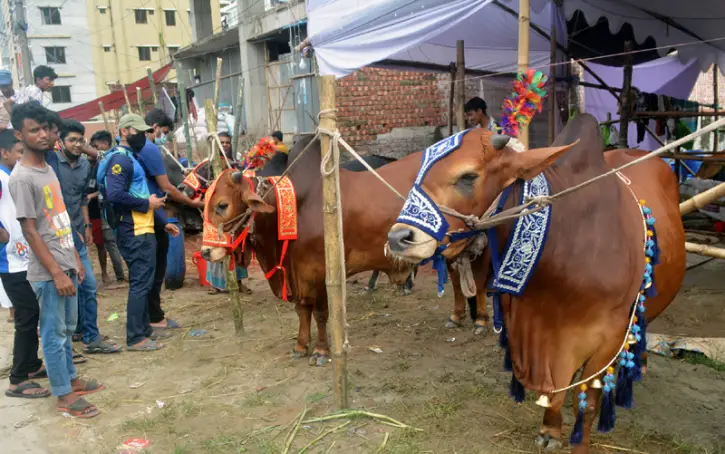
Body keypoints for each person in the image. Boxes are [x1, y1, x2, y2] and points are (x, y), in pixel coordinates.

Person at [9, 103, 104, 417]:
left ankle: (71, 380)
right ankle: (63, 395)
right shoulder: (22, 178)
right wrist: (57, 273)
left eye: (46, 128)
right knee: (53, 332)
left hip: (66, 261)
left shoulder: (48, 168)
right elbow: (30, 230)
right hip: (48, 271)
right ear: (19, 134)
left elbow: (61, 218)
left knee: (67, 328)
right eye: (33, 130)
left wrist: (75, 259)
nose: (43, 135)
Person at [98, 113, 179, 351]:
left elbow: (141, 194)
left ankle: (144, 329)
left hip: (143, 226)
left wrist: (161, 222)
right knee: (140, 283)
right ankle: (135, 337)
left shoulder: (129, 157)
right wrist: (147, 205)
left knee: (143, 281)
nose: (143, 136)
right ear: (124, 131)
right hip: (133, 230)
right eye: (139, 132)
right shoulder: (120, 160)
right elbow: (115, 195)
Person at [58, 120, 120, 354]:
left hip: (77, 236)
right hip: (57, 238)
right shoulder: (53, 164)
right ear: (60, 142)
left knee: (88, 286)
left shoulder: (85, 165)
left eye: (80, 140)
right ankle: (73, 336)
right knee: (68, 291)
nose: (76, 144)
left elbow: (83, 197)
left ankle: (90, 337)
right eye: (71, 140)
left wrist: (85, 225)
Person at [138, 109, 202, 330]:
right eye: (163, 132)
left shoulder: (133, 150)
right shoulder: (150, 149)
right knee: (154, 272)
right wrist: (193, 203)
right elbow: (168, 187)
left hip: (144, 216)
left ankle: (152, 316)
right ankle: (153, 319)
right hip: (156, 215)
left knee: (149, 272)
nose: (163, 137)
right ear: (154, 127)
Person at [0, 129, 49, 398]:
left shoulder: (10, 176)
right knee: (27, 316)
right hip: (10, 260)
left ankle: (31, 365)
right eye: (18, 152)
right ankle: (17, 378)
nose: (21, 157)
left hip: (22, 257)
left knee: (32, 313)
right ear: (4, 152)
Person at [88, 131, 124, 284]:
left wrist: (91, 196)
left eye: (94, 147)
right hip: (90, 212)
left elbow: (106, 189)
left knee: (110, 241)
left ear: (104, 146)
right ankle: (105, 273)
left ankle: (120, 276)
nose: (91, 150)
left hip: (103, 210)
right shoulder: (86, 166)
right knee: (100, 245)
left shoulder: (107, 162)